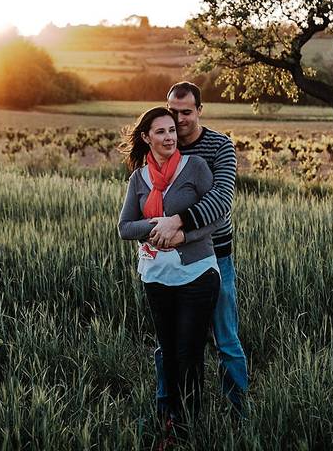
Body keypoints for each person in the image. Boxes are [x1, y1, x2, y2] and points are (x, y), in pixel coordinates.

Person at [117, 106, 222, 441]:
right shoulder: (139, 178)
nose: (169, 137)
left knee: (188, 352)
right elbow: (124, 227)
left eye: (172, 131)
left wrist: (182, 234)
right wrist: (155, 225)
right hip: (155, 276)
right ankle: (171, 420)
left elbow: (217, 216)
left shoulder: (196, 168)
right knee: (168, 349)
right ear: (146, 137)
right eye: (160, 132)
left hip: (197, 274)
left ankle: (189, 426)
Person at [148, 82, 249, 416]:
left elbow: (220, 201)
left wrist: (177, 223)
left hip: (216, 256)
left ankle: (238, 413)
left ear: (199, 111)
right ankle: (169, 412)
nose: (178, 120)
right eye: (173, 112)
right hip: (169, 260)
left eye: (186, 112)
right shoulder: (162, 145)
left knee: (226, 339)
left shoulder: (220, 146)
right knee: (169, 345)